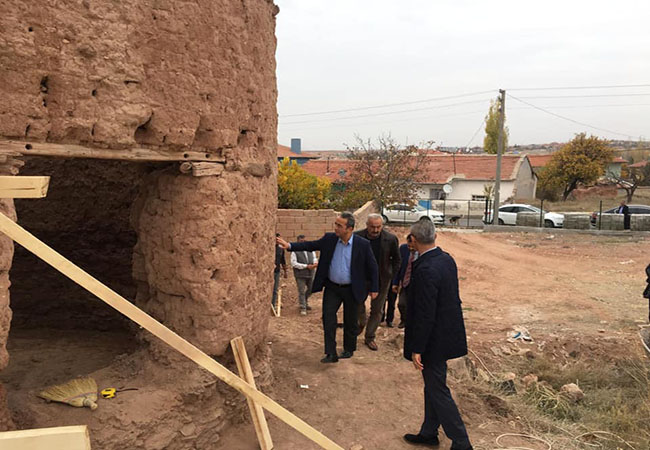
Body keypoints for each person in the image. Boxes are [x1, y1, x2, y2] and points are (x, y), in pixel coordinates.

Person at [403, 219, 472, 450]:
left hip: (433, 340)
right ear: (435, 236)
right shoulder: (445, 259)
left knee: (438, 389)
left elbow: (425, 313)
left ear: (413, 240)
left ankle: (461, 441)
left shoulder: (426, 269)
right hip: (445, 334)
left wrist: (417, 348)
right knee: (432, 386)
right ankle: (429, 432)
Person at [277, 212, 379, 363]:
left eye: (339, 225)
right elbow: (311, 245)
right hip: (332, 287)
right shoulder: (329, 239)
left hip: (352, 288)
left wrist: (374, 288)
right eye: (336, 224)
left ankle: (349, 349)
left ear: (349, 229)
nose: (335, 228)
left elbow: (373, 267)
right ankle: (331, 353)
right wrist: (290, 246)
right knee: (328, 318)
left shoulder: (362, 244)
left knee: (351, 320)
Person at [354, 213, 400, 351]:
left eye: (378, 227)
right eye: (372, 227)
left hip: (382, 280)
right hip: (361, 279)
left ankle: (370, 337)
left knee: (377, 309)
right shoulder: (357, 237)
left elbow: (397, 259)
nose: (375, 230)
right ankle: (361, 323)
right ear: (367, 225)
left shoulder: (390, 239)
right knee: (357, 305)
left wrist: (391, 275)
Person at [392, 233, 418, 329]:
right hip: (405, 282)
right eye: (408, 246)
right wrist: (395, 282)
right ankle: (404, 320)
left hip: (416, 283)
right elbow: (399, 267)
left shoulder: (422, 252)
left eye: (412, 246)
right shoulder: (403, 249)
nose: (410, 248)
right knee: (401, 304)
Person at [291, 234, 318, 315]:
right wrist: (306, 266)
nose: (303, 242)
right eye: (301, 241)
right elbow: (294, 263)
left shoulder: (310, 250)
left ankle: (304, 301)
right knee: (301, 291)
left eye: (304, 240)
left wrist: (315, 263)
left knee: (312, 288)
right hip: (300, 275)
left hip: (311, 273)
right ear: (298, 241)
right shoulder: (294, 251)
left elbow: (314, 258)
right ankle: (303, 307)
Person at [272, 232, 287, 310]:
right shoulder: (271, 248)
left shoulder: (280, 249)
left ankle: (273, 305)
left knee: (275, 289)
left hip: (277, 271)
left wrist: (285, 271)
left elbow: (283, 260)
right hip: (271, 272)